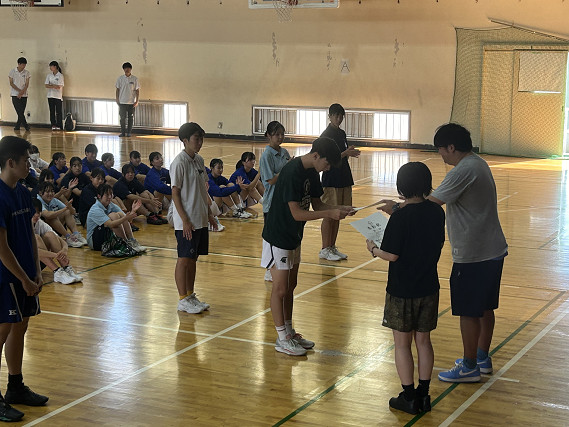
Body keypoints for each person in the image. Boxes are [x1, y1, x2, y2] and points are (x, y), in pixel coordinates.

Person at [381, 123, 508, 383]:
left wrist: (395, 208)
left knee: (469, 311)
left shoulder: (463, 170)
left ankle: (470, 367)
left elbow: (427, 206)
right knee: (484, 307)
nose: (440, 154)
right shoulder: (478, 163)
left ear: (451, 147)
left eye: (440, 149)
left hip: (474, 254)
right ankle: (481, 358)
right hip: (492, 249)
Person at [261, 137, 354, 356]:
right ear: (316, 155)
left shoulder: (313, 172)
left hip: (294, 235)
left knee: (291, 285)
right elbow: (296, 213)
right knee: (280, 288)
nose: (327, 169)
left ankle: (289, 331)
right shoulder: (291, 172)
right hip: (278, 235)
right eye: (327, 164)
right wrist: (330, 214)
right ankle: (282, 338)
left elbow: (318, 204)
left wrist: (340, 208)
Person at [366, 162, 445, 415]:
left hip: (402, 289)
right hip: (429, 285)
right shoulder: (437, 212)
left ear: (401, 187)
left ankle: (408, 396)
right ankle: (424, 394)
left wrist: (373, 249)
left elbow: (392, 255)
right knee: (424, 340)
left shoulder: (400, 217)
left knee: (402, 344)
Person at [0, 136, 48, 423]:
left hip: (26, 275)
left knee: (20, 326)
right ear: (10, 162)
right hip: (6, 277)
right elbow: (2, 248)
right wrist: (23, 278)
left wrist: (37, 270)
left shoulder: (22, 192)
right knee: (3, 330)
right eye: (26, 161)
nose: (30, 166)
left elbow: (30, 232)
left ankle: (15, 385)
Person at [171, 122, 217, 314]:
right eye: (196, 139)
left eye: (201, 138)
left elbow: (202, 190)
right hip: (186, 221)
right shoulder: (179, 163)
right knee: (184, 259)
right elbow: (175, 193)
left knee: (193, 258)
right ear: (185, 140)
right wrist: (185, 220)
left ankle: (190, 295)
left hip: (200, 218)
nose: (200, 142)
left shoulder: (199, 160)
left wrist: (209, 214)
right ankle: (182, 299)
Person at [318, 103, 360, 262]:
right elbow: (326, 158)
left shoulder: (341, 133)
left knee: (339, 214)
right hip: (331, 178)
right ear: (330, 116)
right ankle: (324, 248)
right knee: (329, 214)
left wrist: (349, 152)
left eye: (341, 116)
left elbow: (342, 154)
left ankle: (332, 246)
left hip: (343, 176)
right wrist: (345, 153)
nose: (339, 118)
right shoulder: (326, 135)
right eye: (336, 115)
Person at [258, 121, 291, 282]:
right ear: (268, 136)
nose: (280, 137)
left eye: (282, 134)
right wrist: (287, 169)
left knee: (282, 234)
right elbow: (270, 180)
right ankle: (269, 268)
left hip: (285, 200)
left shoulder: (284, 152)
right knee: (271, 237)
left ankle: (280, 265)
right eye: (276, 134)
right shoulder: (267, 156)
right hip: (272, 202)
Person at [32, 199, 82, 285]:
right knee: (36, 238)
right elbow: (34, 250)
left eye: (39, 212)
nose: (37, 215)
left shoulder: (39, 223)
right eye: (34, 212)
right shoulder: (22, 224)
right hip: (25, 264)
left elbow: (60, 240)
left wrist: (64, 251)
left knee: (50, 235)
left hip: (40, 261)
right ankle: (57, 271)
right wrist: (56, 255)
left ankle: (66, 268)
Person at [85, 184, 145, 253]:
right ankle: (125, 244)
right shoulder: (95, 209)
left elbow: (127, 220)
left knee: (120, 214)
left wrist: (133, 211)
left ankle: (131, 241)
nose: (110, 197)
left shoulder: (111, 205)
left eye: (111, 194)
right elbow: (110, 224)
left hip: (105, 234)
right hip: (94, 241)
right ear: (99, 196)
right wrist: (125, 218)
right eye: (107, 195)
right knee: (113, 216)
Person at [36, 182, 87, 248]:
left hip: (56, 228)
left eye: (52, 191)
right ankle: (68, 237)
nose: (50, 194)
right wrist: (65, 208)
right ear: (40, 193)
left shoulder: (54, 200)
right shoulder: (38, 201)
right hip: (42, 232)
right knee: (52, 217)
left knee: (67, 212)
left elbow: (73, 212)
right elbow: (47, 215)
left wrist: (69, 207)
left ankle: (76, 234)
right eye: (47, 192)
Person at [115, 62, 139, 137]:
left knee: (130, 118)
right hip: (122, 101)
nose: (127, 69)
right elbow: (117, 89)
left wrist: (137, 100)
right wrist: (117, 99)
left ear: (131, 69)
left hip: (131, 102)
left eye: (128, 68)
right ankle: (123, 132)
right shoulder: (120, 78)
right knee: (122, 118)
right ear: (123, 69)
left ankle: (129, 132)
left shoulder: (135, 79)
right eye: (125, 68)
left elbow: (137, 90)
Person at [8, 57, 31, 132]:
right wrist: (19, 91)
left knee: (21, 112)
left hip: (24, 95)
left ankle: (17, 126)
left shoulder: (27, 73)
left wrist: (22, 92)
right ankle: (26, 126)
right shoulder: (12, 72)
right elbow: (11, 83)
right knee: (19, 111)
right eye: (23, 65)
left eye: (25, 65)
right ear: (19, 64)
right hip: (15, 94)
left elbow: (27, 84)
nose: (24, 66)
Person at [44, 61, 64, 131]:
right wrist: (53, 86)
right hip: (50, 95)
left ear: (55, 67)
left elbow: (59, 86)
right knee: (52, 111)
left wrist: (51, 85)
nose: (50, 68)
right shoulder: (49, 75)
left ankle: (59, 125)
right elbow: (46, 85)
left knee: (58, 112)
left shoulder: (60, 76)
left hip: (58, 96)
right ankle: (53, 125)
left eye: (51, 66)